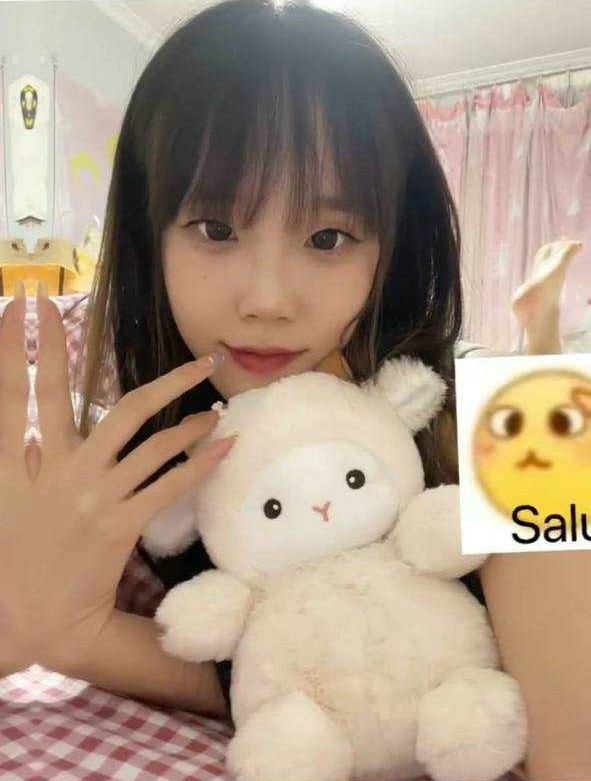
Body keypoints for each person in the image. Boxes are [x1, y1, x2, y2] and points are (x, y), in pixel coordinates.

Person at [0, 1, 583, 777]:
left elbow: (572, 745)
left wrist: (80, 639)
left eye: (327, 237)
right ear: (148, 236)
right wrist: (47, 626)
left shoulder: (515, 416)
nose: (268, 300)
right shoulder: (75, 395)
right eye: (215, 229)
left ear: (392, 249)